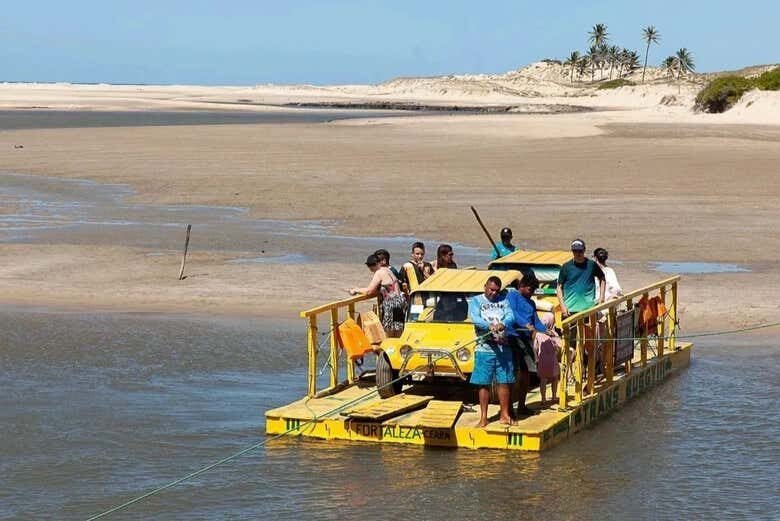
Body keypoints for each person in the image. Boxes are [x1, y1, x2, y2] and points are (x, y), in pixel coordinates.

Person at [468, 276, 515, 427]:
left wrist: (503, 323)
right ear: (485, 287)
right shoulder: (476, 301)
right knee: (483, 383)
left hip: (503, 347)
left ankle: (504, 414)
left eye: (496, 290)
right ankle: (483, 417)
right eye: (491, 290)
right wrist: (488, 326)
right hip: (484, 347)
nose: (494, 293)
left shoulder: (504, 301)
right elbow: (474, 317)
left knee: (504, 381)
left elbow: (511, 316)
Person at [507, 273, 551, 416]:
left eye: (533, 291)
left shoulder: (531, 303)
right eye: (530, 290)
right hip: (512, 337)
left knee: (526, 373)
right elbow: (512, 313)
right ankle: (508, 408)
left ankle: (521, 405)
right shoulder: (512, 296)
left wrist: (546, 330)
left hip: (526, 339)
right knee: (513, 373)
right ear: (521, 286)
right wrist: (525, 324)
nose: (531, 293)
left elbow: (536, 321)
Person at [349, 254, 406, 337]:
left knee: (388, 330)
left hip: (391, 303)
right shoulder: (387, 270)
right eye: (369, 266)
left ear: (376, 264)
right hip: (400, 301)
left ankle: (388, 348)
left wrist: (356, 290)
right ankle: (396, 347)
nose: (371, 268)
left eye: (371, 266)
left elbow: (369, 291)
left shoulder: (379, 272)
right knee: (398, 329)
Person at [556, 239, 606, 318]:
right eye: (575, 251)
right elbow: (559, 287)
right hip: (570, 310)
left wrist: (601, 297)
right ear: (572, 251)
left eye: (580, 251)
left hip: (589, 309)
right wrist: (563, 307)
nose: (578, 254)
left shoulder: (591, 265)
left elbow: (602, 278)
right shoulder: (566, 267)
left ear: (584, 250)